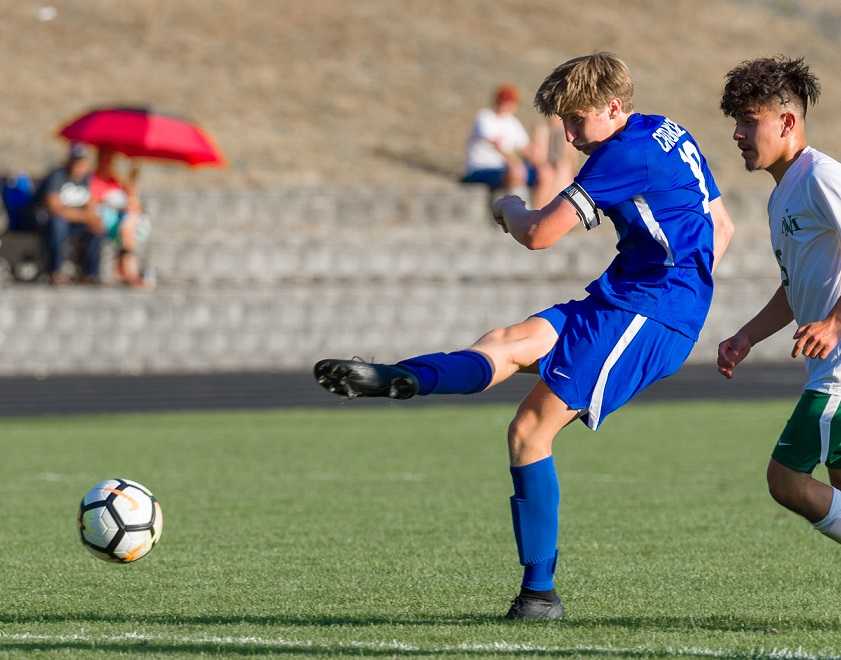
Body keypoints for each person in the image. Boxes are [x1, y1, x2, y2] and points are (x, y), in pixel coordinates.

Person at [314, 52, 735, 620]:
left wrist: (508, 206)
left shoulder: (621, 154)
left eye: (576, 120)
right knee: (507, 341)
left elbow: (537, 234)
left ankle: (540, 595)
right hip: (632, 296)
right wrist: (689, 278)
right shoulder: (665, 130)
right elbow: (723, 225)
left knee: (530, 430)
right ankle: (402, 377)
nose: (568, 133)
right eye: (561, 121)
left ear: (613, 108)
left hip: (649, 311)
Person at [717, 56, 841, 545]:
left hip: (838, 372)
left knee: (785, 479)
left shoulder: (819, 176)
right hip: (827, 367)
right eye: (737, 122)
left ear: (786, 122)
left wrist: (834, 322)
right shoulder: (782, 196)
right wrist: (747, 335)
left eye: (750, 121)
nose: (738, 134)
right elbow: (793, 287)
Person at [31, 143, 103, 285]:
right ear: (69, 161)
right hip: (45, 222)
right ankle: (55, 271)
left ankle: (90, 274)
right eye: (76, 161)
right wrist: (84, 216)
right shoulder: (57, 176)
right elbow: (54, 208)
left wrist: (91, 218)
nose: (79, 165)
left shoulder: (86, 179)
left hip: (72, 222)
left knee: (96, 228)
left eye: (82, 161)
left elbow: (91, 206)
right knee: (58, 224)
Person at [461, 84, 540, 200]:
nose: (506, 106)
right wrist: (516, 162)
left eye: (510, 103)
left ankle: (540, 212)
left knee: (546, 174)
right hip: (481, 168)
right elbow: (496, 145)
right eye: (504, 102)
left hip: (504, 169)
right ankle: (517, 210)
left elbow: (527, 149)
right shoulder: (485, 117)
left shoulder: (512, 122)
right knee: (516, 171)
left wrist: (540, 159)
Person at [90, 147, 150, 287]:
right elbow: (92, 202)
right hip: (104, 218)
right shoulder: (93, 180)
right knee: (127, 227)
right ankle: (130, 272)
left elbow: (131, 199)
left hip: (122, 220)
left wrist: (133, 172)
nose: (108, 162)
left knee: (129, 222)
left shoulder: (115, 180)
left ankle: (125, 270)